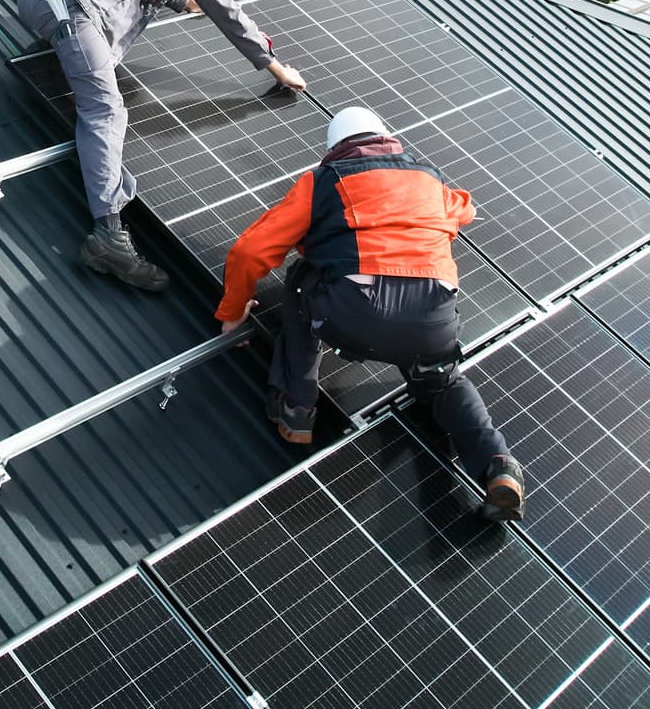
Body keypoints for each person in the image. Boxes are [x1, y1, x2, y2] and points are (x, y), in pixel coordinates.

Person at [217, 106, 525, 520]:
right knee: (445, 382)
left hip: (357, 313)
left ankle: (297, 408)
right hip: (432, 320)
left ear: (335, 149)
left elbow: (250, 251)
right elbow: (464, 209)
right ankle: (498, 466)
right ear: (386, 137)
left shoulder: (323, 181)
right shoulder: (429, 179)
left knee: (300, 279)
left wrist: (232, 311)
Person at [16, 0, 307, 291]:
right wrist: (273, 64)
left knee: (100, 84)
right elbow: (223, 5)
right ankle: (109, 237)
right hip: (67, 1)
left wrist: (193, 3)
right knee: (106, 108)